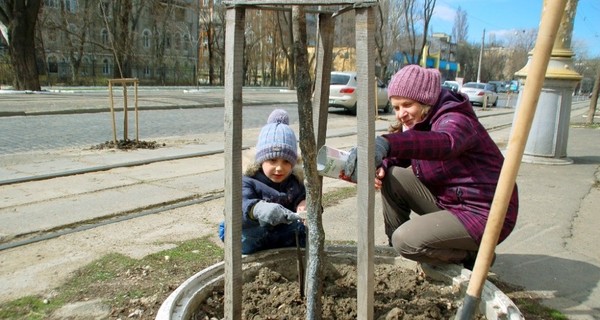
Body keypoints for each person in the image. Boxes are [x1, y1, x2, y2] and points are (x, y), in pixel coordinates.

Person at [343, 65, 519, 270]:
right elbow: (405, 154)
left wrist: (387, 143)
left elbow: (443, 142)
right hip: (453, 203)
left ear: (425, 100)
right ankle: (398, 252)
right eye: (397, 107)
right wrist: (383, 163)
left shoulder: (456, 119)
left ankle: (473, 257)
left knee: (406, 240)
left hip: (485, 213)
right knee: (392, 176)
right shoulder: (423, 121)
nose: (401, 114)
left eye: (407, 105)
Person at [218, 109, 306, 254]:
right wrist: (257, 209)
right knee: (237, 234)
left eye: (286, 162)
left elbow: (304, 196)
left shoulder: (294, 181)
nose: (279, 168)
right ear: (261, 160)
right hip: (254, 235)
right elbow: (239, 207)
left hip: (283, 236)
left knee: (303, 230)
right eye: (272, 160)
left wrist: (304, 203)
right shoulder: (248, 181)